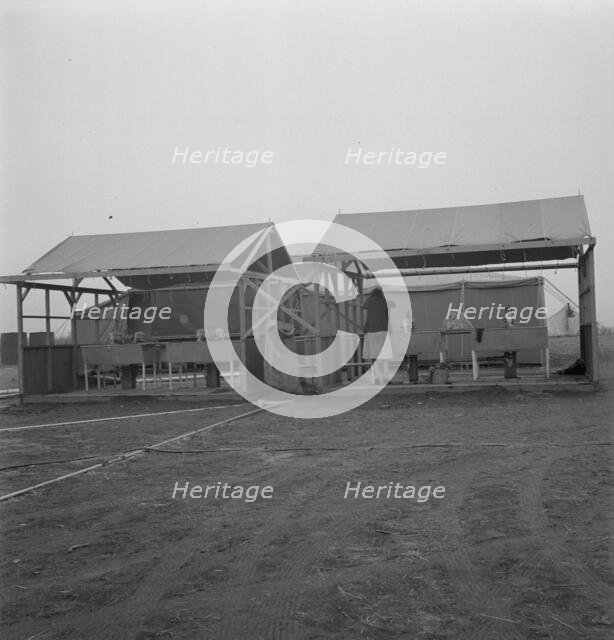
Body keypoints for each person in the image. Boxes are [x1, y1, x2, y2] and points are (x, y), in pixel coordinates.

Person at [363, 287, 394, 383]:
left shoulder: (369, 302)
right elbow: (393, 304)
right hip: (382, 331)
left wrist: (369, 297)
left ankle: (377, 378)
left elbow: (364, 305)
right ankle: (386, 378)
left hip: (370, 331)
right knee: (385, 357)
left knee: (374, 356)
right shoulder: (384, 302)